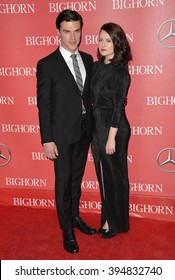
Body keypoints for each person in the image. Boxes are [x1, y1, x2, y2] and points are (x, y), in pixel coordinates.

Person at [36, 9, 96, 254]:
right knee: (63, 183)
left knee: (76, 179)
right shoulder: (47, 64)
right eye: (67, 31)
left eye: (77, 31)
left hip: (84, 131)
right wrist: (47, 139)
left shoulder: (89, 59)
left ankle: (75, 218)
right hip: (60, 135)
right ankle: (67, 230)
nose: (73, 37)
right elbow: (44, 104)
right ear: (58, 32)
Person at [90, 22, 132, 238]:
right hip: (97, 124)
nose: (103, 44)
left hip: (113, 127)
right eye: (100, 39)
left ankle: (112, 223)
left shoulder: (121, 71)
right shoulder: (96, 67)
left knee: (114, 176)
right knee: (103, 175)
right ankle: (111, 218)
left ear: (117, 43)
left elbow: (118, 106)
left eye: (108, 40)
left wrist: (111, 138)